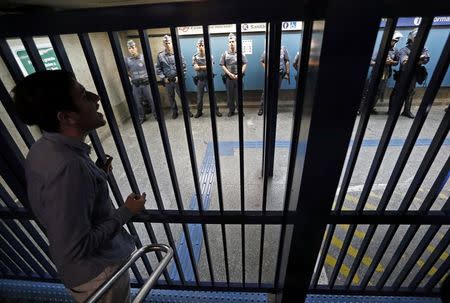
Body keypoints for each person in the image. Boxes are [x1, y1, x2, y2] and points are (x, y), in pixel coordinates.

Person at [13, 70, 146, 303]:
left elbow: (59, 204)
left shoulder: (43, 148)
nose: (96, 98)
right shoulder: (69, 168)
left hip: (86, 275)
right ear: (66, 117)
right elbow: (76, 247)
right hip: (99, 276)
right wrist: (127, 212)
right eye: (84, 96)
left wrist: (96, 176)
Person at [389, 28, 430, 119]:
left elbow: (426, 59)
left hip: (414, 74)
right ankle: (392, 111)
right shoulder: (404, 50)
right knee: (397, 92)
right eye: (416, 37)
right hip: (403, 74)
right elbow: (405, 63)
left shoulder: (423, 48)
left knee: (411, 92)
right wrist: (419, 59)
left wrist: (414, 59)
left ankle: (406, 111)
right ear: (411, 38)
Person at [359, 31, 402, 115]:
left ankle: (370, 108)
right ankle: (360, 109)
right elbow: (370, 62)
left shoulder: (395, 50)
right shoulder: (381, 49)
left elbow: (397, 62)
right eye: (394, 40)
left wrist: (391, 62)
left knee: (379, 92)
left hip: (386, 74)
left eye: (396, 41)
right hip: (376, 73)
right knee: (368, 91)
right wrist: (382, 62)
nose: (395, 42)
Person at [156, 35, 192, 119]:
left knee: (183, 96)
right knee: (171, 97)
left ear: (171, 43)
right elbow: (158, 68)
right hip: (168, 81)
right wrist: (163, 78)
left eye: (169, 42)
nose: (168, 44)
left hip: (177, 80)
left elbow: (184, 66)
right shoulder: (160, 56)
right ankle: (174, 111)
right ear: (163, 44)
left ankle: (187, 111)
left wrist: (180, 76)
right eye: (166, 43)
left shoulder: (178, 53)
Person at [124, 39, 156, 124]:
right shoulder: (127, 60)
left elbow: (151, 68)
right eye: (130, 48)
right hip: (136, 85)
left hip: (146, 83)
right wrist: (131, 79)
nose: (132, 49)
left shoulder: (143, 57)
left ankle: (156, 115)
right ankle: (142, 117)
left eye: (133, 47)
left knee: (152, 100)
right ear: (128, 49)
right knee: (138, 102)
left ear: (136, 47)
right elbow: (126, 71)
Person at [192, 38, 222, 118]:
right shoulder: (195, 57)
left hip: (208, 79)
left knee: (212, 96)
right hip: (200, 80)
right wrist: (204, 67)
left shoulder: (209, 56)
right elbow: (195, 68)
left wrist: (200, 67)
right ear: (197, 46)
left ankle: (216, 110)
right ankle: (199, 111)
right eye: (200, 45)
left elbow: (210, 67)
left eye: (203, 45)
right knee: (199, 97)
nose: (201, 47)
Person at [219, 33, 248, 117]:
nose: (231, 43)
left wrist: (240, 73)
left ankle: (240, 110)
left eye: (233, 41)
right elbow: (222, 65)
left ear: (236, 42)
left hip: (238, 78)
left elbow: (245, 63)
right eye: (230, 41)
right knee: (230, 96)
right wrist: (229, 74)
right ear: (228, 43)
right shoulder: (225, 54)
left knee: (239, 95)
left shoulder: (240, 53)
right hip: (229, 78)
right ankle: (231, 110)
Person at [258, 46, 290, 116]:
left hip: (280, 74)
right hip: (270, 74)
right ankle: (262, 108)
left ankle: (273, 108)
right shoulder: (267, 48)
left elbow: (286, 60)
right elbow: (262, 61)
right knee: (265, 91)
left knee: (276, 92)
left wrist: (287, 73)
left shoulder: (283, 48)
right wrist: (267, 70)